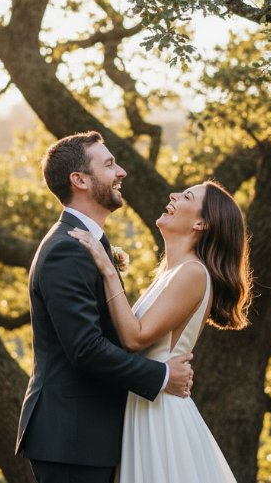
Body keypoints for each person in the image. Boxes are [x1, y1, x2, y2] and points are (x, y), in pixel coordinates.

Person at [15, 131, 195, 483]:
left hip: (86, 434)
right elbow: (85, 348)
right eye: (110, 164)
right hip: (71, 436)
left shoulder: (88, 243)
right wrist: (161, 377)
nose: (122, 172)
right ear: (79, 180)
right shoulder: (66, 249)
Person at [69, 179, 252, 482]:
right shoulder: (171, 273)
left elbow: (135, 337)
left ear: (201, 222)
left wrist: (106, 269)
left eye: (187, 196)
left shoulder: (193, 273)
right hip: (144, 402)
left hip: (159, 414)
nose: (173, 195)